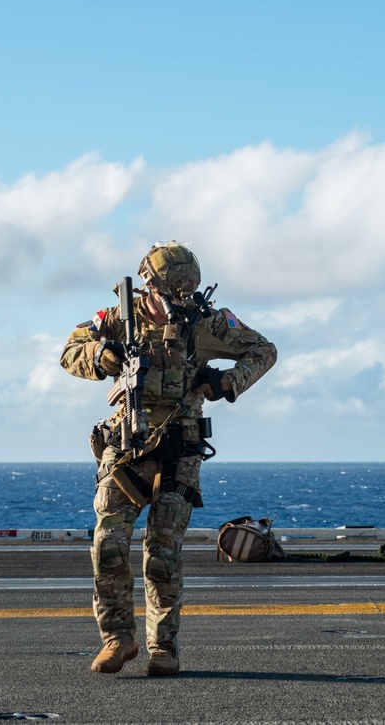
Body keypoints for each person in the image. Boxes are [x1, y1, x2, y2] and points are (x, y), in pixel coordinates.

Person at [60, 242, 277, 676]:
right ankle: (117, 639)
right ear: (148, 285)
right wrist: (100, 356)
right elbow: (70, 350)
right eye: (167, 291)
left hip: (180, 449)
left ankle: (164, 648)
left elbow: (264, 350)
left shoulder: (209, 323)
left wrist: (225, 382)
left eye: (183, 292)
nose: (175, 301)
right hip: (127, 448)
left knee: (162, 554)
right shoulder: (120, 319)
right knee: (108, 545)